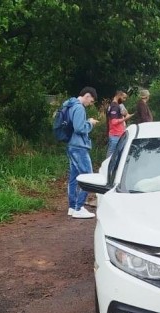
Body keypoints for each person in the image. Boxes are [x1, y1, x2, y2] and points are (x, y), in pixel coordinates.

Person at [65, 87, 100, 219]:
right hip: (79, 146)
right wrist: (90, 123)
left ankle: (72, 207)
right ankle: (79, 207)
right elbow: (79, 128)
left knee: (74, 177)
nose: (90, 104)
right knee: (88, 177)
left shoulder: (70, 105)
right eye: (91, 101)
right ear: (87, 95)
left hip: (71, 145)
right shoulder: (79, 107)